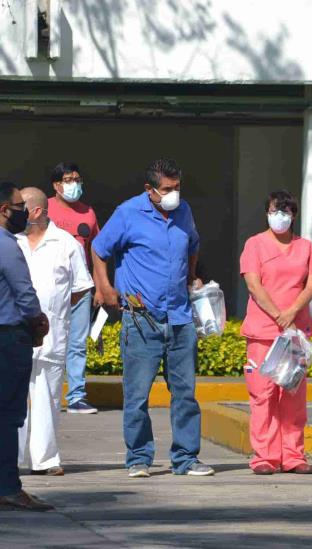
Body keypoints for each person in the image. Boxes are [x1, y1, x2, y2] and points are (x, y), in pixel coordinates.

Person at [91, 159, 214, 478]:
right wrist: (104, 287)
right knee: (137, 395)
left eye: (177, 188)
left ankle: (186, 458)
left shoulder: (184, 211)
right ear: (149, 190)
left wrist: (191, 278)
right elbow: (99, 249)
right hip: (141, 319)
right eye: (167, 189)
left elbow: (193, 246)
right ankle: (139, 458)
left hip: (180, 317)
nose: (174, 194)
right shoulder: (128, 213)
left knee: (185, 393)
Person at [0, 181, 52, 511]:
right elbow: (25, 293)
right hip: (7, 338)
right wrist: (39, 322)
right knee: (8, 417)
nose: (24, 211)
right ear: (4, 210)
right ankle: (7, 487)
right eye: (19, 206)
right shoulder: (4, 244)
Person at [239, 190, 312, 475]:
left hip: (296, 332)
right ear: (266, 213)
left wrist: (291, 314)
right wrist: (278, 314)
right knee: (263, 395)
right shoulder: (254, 245)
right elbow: (253, 285)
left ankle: (294, 455)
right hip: (263, 332)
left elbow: (310, 286)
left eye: (286, 212)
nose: (280, 217)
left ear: (294, 216)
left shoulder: (306, 247)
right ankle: (264, 456)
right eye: (275, 211)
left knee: (293, 394)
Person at [16, 188, 94, 476]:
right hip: (16, 335)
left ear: (35, 211)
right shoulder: (13, 241)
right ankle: (11, 458)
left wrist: (53, 309)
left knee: (47, 398)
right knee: (15, 397)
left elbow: (79, 289)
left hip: (52, 335)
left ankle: (45, 460)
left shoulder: (65, 243)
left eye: (19, 207)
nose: (12, 212)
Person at [48, 162, 100, 415]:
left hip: (81, 287)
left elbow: (96, 249)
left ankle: (77, 396)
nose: (74, 184)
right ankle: (47, 394)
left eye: (77, 179)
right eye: (68, 180)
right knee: (48, 341)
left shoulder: (88, 212)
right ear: (56, 185)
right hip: (51, 286)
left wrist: (100, 287)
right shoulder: (43, 208)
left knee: (77, 342)